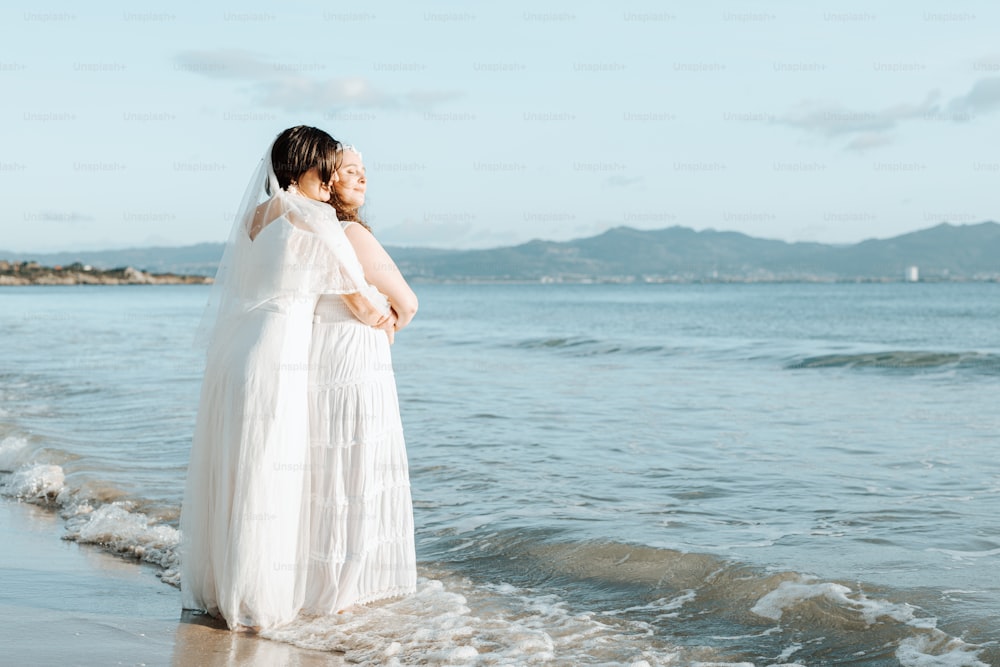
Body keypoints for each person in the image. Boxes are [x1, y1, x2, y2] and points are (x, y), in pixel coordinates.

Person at [179, 126, 412, 631]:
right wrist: (388, 319)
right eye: (324, 169)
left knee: (238, 470)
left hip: (235, 351)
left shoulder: (254, 217)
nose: (331, 182)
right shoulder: (314, 216)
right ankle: (262, 602)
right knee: (271, 474)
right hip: (278, 352)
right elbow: (355, 293)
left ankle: (226, 591)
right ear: (300, 166)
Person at [303, 144, 418, 614]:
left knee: (324, 470)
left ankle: (317, 580)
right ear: (327, 179)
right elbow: (408, 302)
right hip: (355, 363)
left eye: (365, 170)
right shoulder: (349, 232)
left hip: (318, 358)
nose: (362, 178)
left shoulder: (305, 229)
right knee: (359, 467)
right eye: (350, 170)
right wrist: (392, 322)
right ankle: (344, 591)